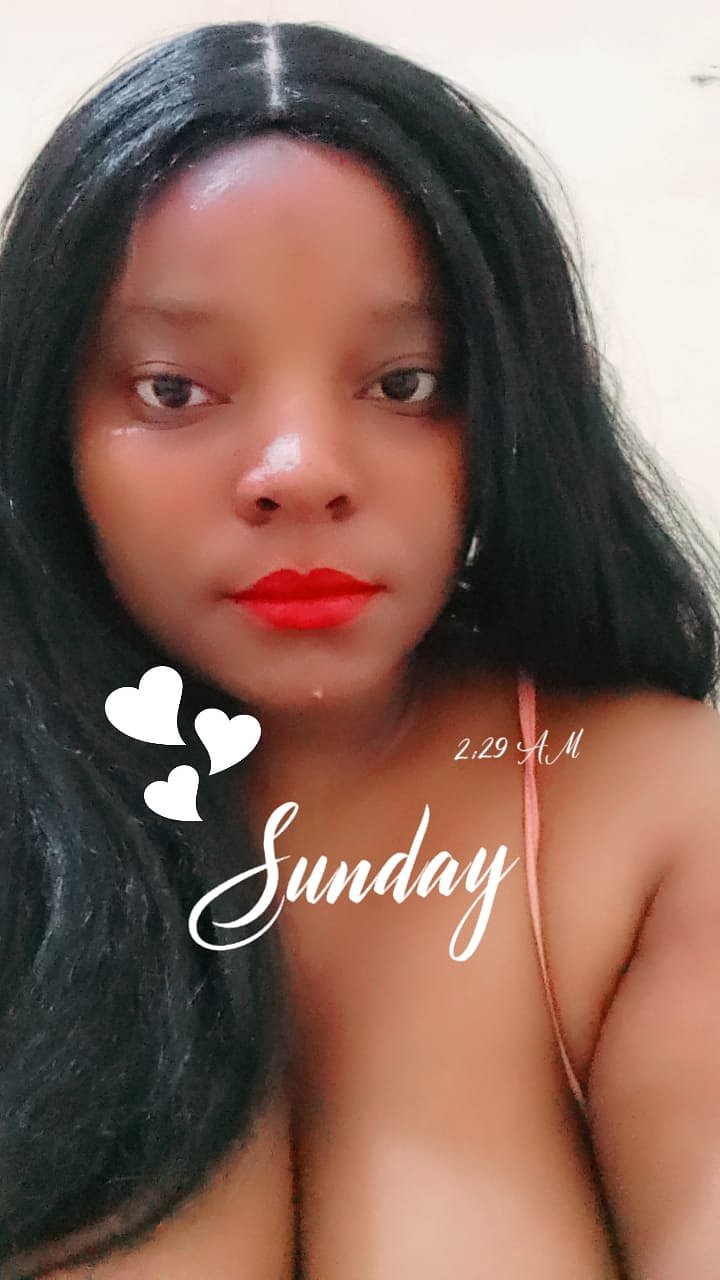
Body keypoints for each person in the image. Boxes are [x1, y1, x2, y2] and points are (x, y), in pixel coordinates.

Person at [1, 18, 719, 1280]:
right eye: (173, 389)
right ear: (45, 423)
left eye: (403, 383)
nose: (301, 470)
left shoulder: (655, 818)